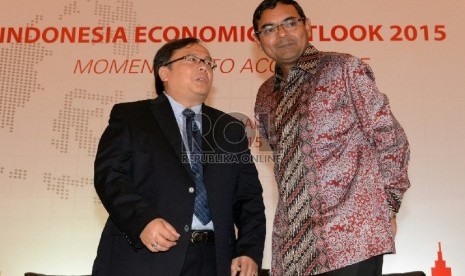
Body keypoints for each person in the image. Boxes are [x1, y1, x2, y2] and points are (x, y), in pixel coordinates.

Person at [252, 1, 410, 275]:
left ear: (307, 26)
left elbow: (390, 138)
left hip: (352, 236)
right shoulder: (265, 95)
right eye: (269, 29)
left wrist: (388, 206)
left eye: (290, 23)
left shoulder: (345, 69)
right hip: (293, 244)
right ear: (258, 39)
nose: (282, 34)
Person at [92, 37, 266, 276]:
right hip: (146, 258)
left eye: (208, 62)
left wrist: (248, 250)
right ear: (164, 72)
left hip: (214, 262)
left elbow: (249, 198)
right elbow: (110, 177)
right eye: (192, 59)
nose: (204, 66)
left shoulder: (230, 128)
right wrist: (142, 221)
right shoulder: (132, 116)